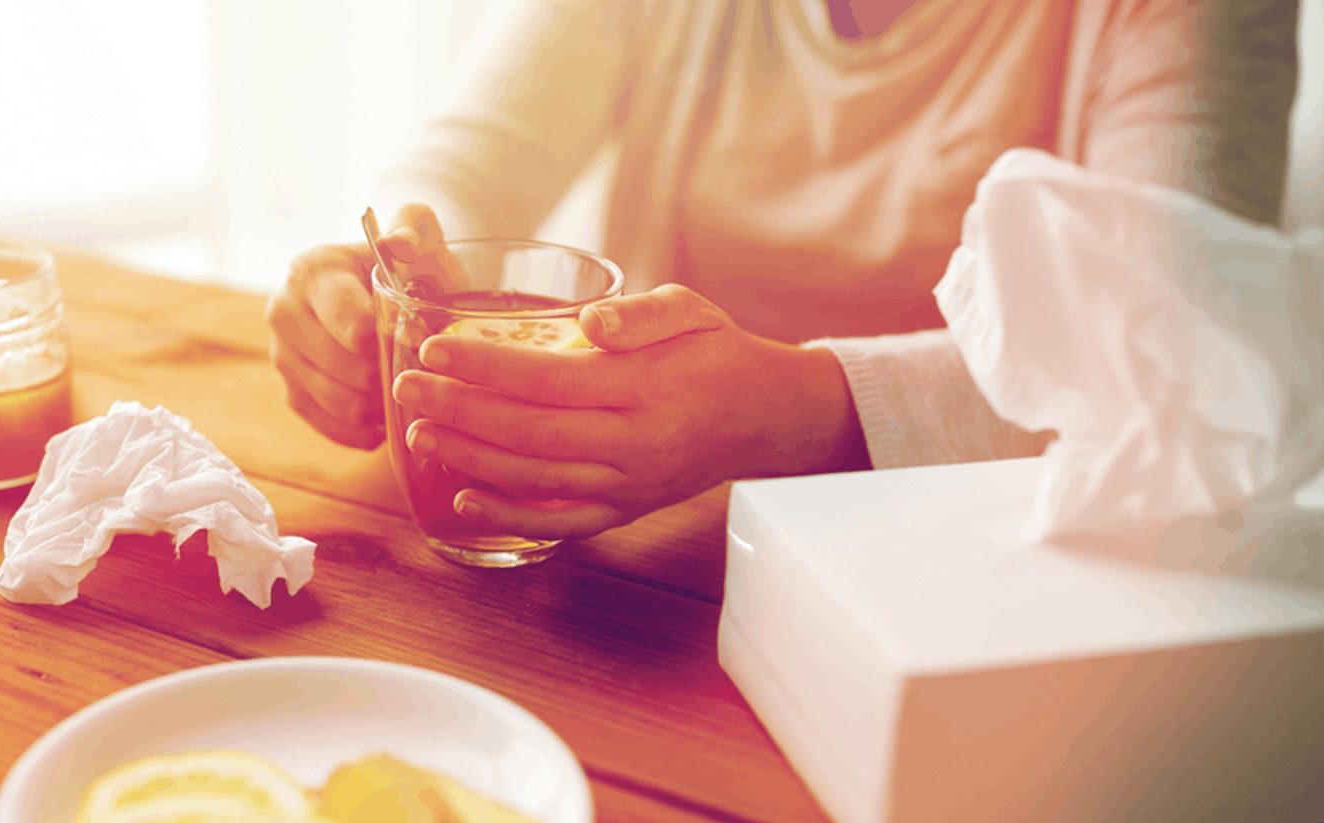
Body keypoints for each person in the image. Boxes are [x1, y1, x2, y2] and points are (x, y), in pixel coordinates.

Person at [265, 0, 1299, 541]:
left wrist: (807, 408)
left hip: (981, 586)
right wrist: (380, 275)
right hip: (647, 553)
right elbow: (472, 153)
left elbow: (1179, 356)